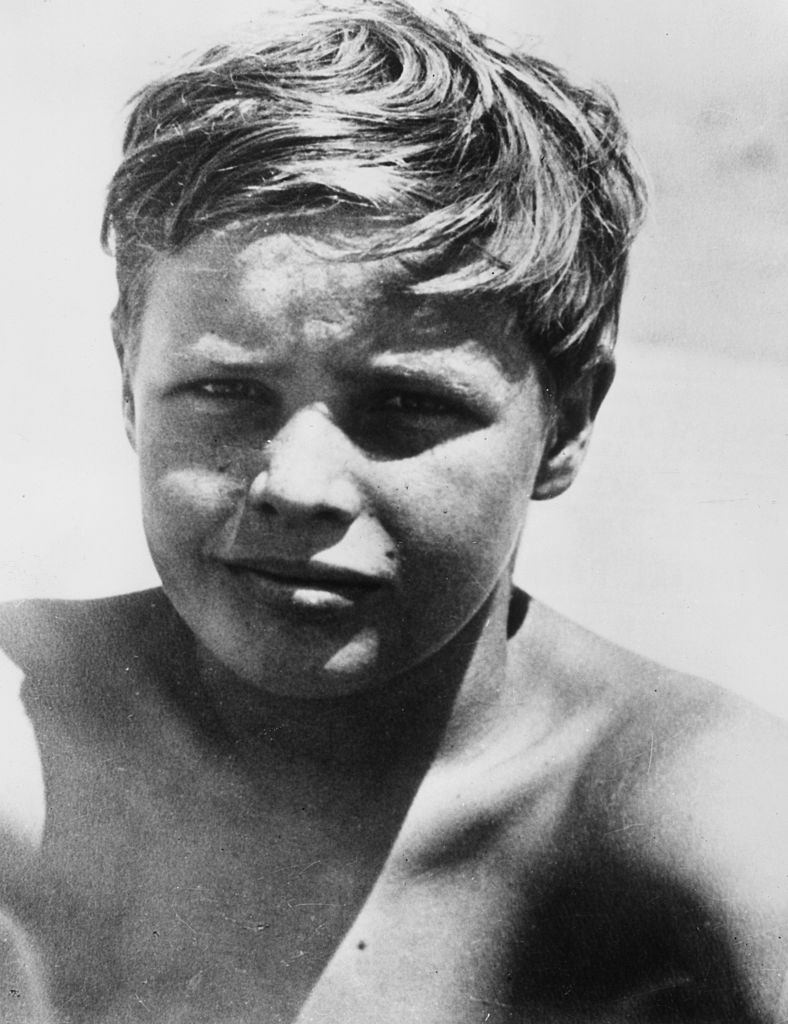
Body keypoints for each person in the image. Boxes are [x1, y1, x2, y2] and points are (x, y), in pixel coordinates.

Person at [0, 1, 786, 1021]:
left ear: (568, 420)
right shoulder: (27, 733)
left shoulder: (684, 815)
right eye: (226, 392)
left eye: (405, 404)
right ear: (125, 379)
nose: (297, 483)